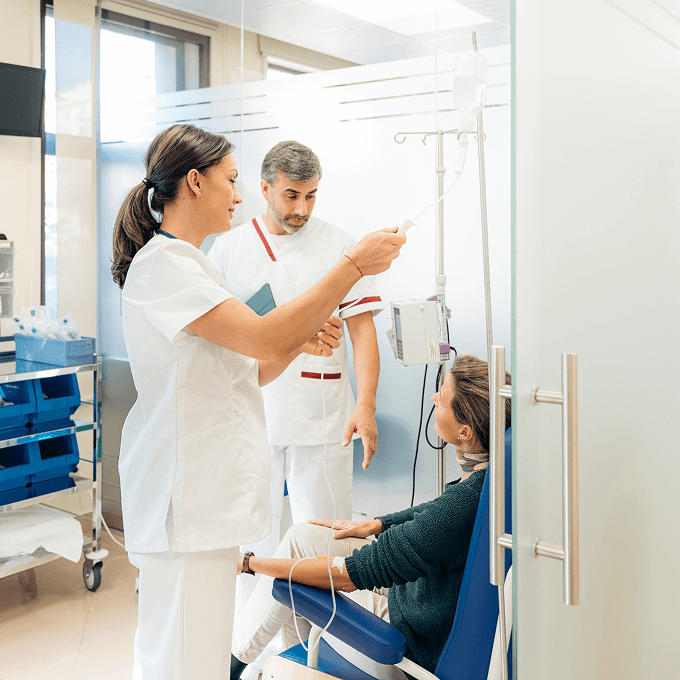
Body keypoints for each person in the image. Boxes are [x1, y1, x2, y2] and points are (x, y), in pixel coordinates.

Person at [111, 123, 406, 680]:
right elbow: (264, 338)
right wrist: (351, 268)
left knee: (194, 655)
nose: (239, 195)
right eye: (232, 180)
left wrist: (299, 339)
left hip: (208, 500)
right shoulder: (165, 265)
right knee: (179, 660)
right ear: (195, 183)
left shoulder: (191, 263)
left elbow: (255, 366)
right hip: (185, 503)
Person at [229, 354, 511, 677]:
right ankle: (253, 660)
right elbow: (431, 515)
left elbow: (354, 574)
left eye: (443, 399)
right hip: (414, 595)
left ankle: (244, 666)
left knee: (293, 581)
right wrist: (377, 524)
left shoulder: (464, 504)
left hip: (403, 626)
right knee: (300, 537)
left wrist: (249, 563)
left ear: (464, 432)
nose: (434, 398)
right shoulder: (488, 477)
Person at [208, 142, 383, 568]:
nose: (302, 209)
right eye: (291, 195)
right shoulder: (229, 250)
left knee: (325, 537)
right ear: (266, 188)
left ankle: (322, 633)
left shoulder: (342, 247)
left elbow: (363, 332)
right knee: (252, 537)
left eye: (311, 196)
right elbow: (214, 337)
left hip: (321, 418)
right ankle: (253, 633)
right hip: (251, 412)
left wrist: (366, 404)